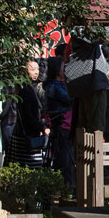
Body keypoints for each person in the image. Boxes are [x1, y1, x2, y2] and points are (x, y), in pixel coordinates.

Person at [5, 60, 50, 168]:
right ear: (24, 72)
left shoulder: (24, 88)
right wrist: (42, 127)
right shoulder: (26, 90)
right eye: (32, 69)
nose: (36, 72)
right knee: (30, 168)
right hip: (27, 135)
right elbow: (29, 116)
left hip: (21, 133)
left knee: (18, 168)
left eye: (37, 69)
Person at [44, 56, 75, 187]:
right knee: (65, 159)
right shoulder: (53, 86)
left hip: (66, 123)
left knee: (66, 157)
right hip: (62, 124)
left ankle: (67, 184)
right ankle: (66, 185)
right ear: (57, 70)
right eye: (63, 67)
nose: (65, 70)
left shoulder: (58, 84)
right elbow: (69, 99)